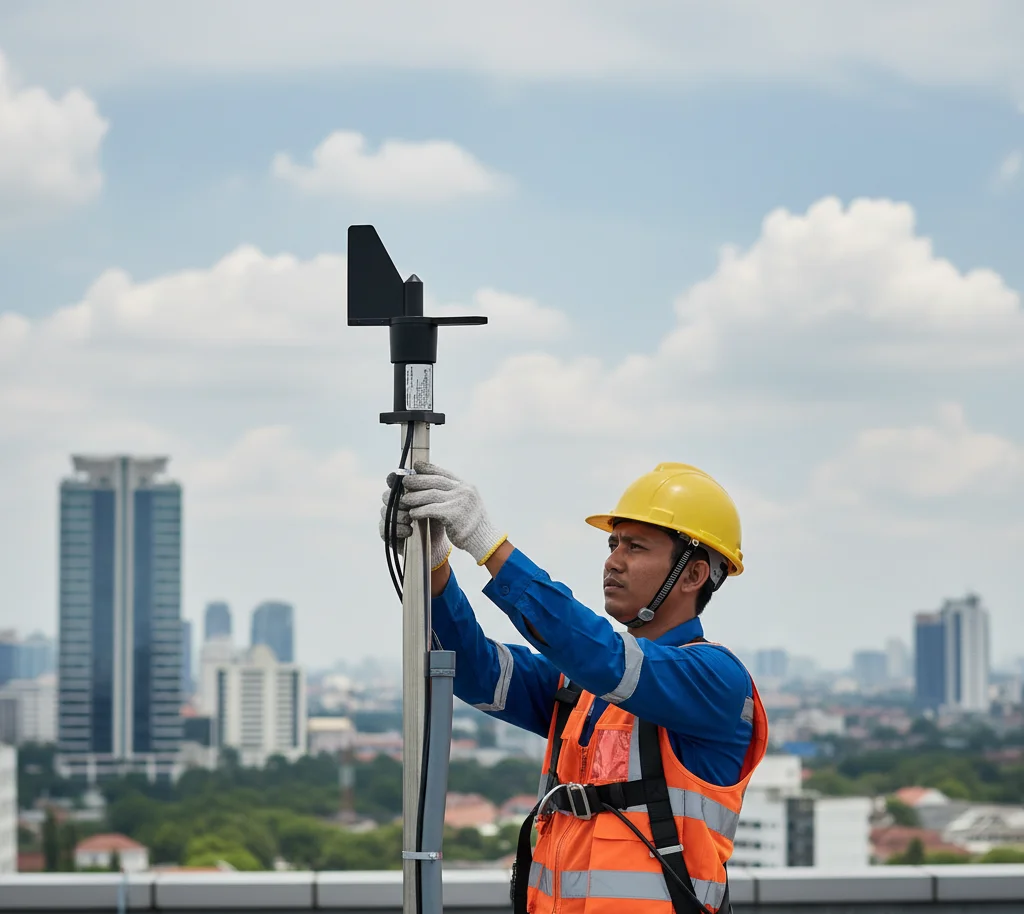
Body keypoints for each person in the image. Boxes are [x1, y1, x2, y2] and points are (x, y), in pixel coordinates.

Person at [380, 461, 768, 914]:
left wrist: (489, 545)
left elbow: (602, 656)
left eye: (636, 547)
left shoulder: (715, 681)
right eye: (613, 543)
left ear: (693, 575)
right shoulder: (582, 686)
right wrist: (433, 565)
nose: (614, 560)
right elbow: (477, 671)